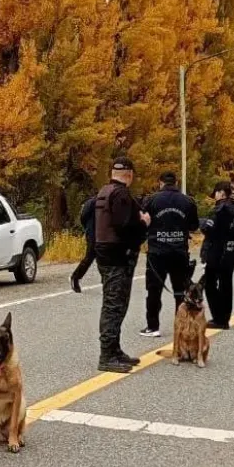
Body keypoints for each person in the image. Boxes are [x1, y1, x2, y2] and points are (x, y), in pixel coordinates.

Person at [94, 156, 150, 373]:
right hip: (118, 256)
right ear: (130, 174)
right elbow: (124, 226)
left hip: (105, 253)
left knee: (115, 303)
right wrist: (143, 224)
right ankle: (107, 354)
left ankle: (115, 350)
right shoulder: (121, 194)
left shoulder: (104, 192)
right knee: (114, 305)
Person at [139, 171, 199, 337]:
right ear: (176, 182)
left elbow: (142, 222)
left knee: (154, 290)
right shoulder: (188, 201)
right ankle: (181, 326)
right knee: (180, 290)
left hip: (157, 252)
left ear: (160, 183)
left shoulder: (151, 200)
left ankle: (153, 327)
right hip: (179, 252)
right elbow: (194, 226)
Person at [200, 181, 234, 330]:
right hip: (232, 252)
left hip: (218, 252)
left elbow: (210, 228)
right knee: (226, 284)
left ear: (221, 192)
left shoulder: (222, 208)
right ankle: (224, 318)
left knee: (210, 284)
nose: (215, 196)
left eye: (216, 193)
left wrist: (201, 223)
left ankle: (219, 318)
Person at [69, 194, 97, 293]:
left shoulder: (110, 201)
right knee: (89, 257)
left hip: (104, 234)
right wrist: (88, 229)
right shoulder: (92, 202)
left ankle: (108, 284)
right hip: (92, 233)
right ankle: (75, 277)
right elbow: (83, 217)